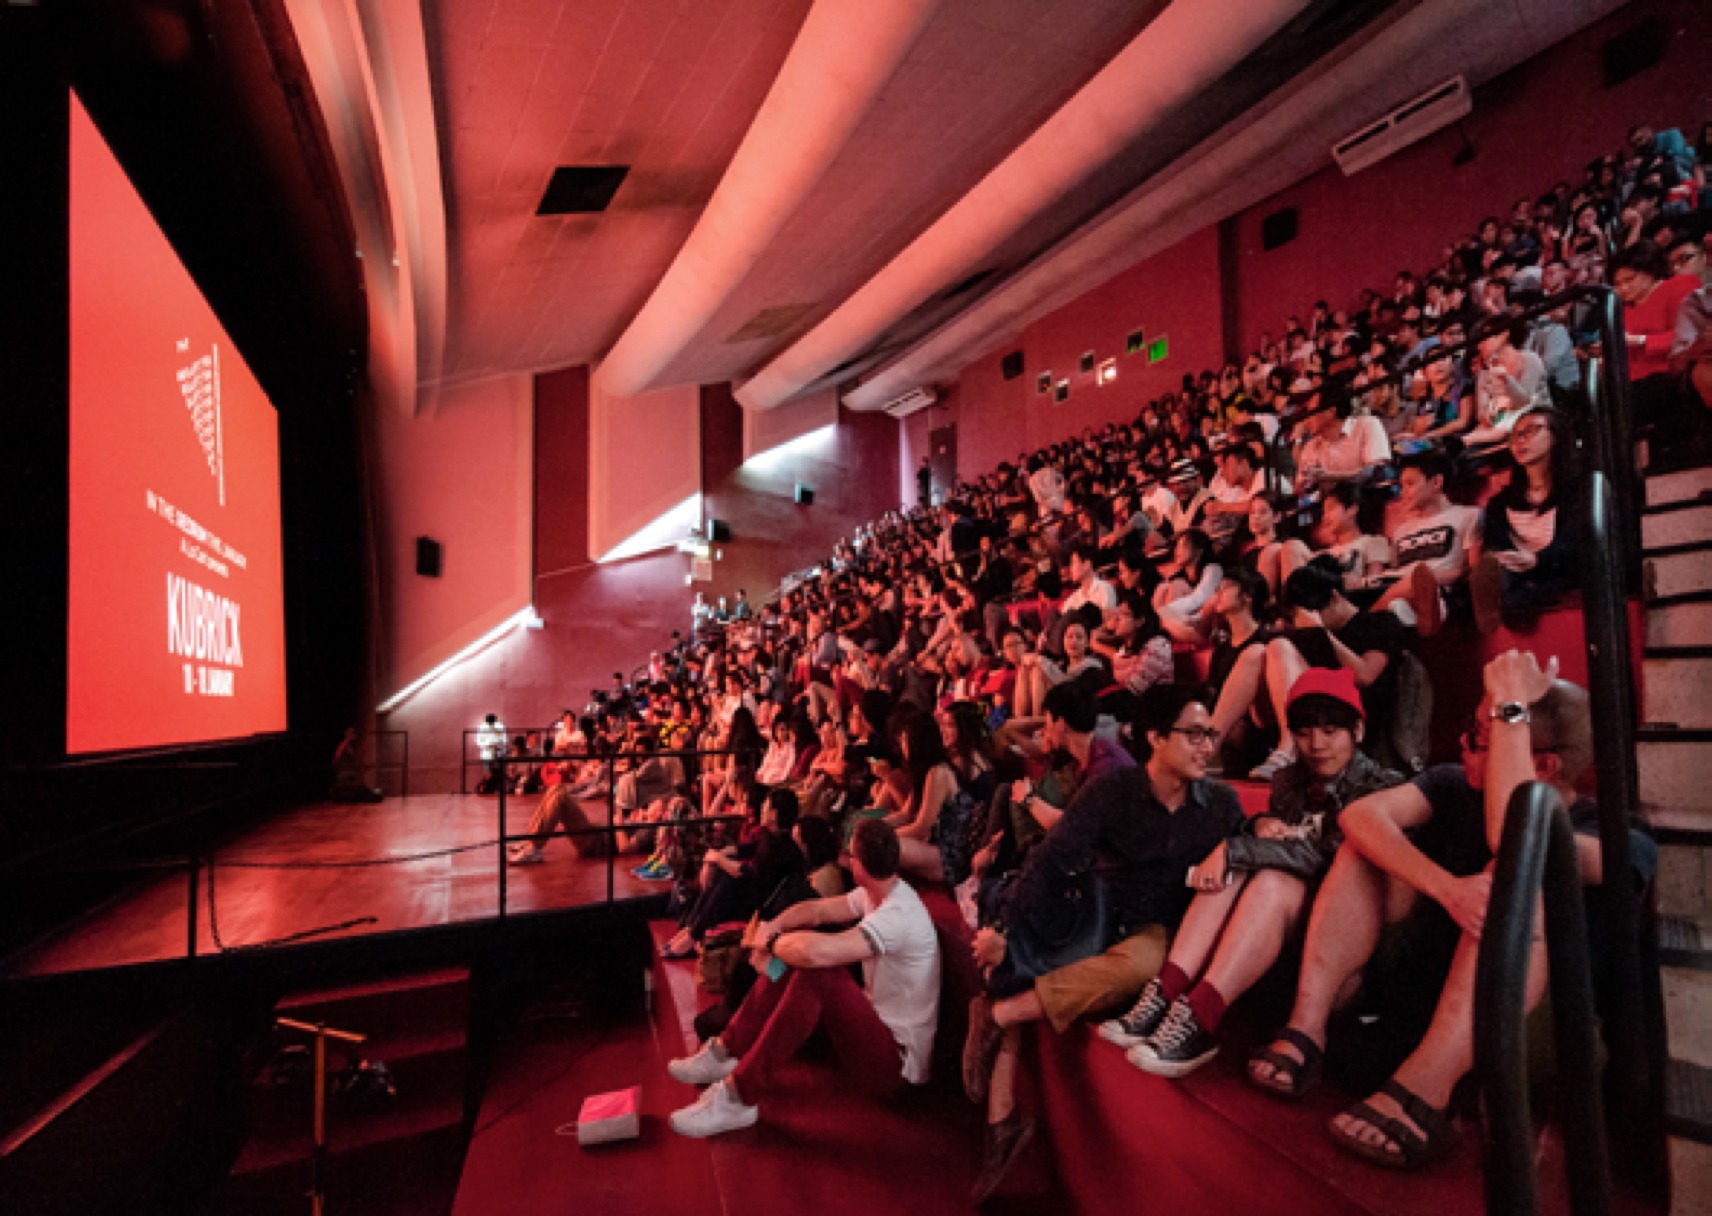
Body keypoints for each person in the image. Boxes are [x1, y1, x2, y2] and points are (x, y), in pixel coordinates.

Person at [1247, 651, 1631, 1170]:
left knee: (1514, 878)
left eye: (1481, 736)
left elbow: (1514, 840)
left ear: (1543, 765)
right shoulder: (1454, 782)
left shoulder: (1614, 838)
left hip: (1522, 1030)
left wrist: (1511, 704)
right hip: (1428, 998)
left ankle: (1425, 1094)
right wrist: (1448, 889)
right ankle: (1307, 1028)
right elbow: (1360, 816)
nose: (1462, 743)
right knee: (1363, 847)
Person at [960, 684, 1243, 1202]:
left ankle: (999, 1021)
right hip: (1092, 914)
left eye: (1211, 735)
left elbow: (1255, 843)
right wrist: (1004, 930)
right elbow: (1051, 859)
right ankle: (1002, 1124)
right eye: (1194, 735)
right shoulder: (1114, 789)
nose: (1207, 747)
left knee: (1142, 965)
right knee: (1014, 963)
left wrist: (1237, 847)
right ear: (1156, 738)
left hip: (1155, 930)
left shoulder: (1219, 805)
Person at [1102, 669, 1403, 1076]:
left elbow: (1327, 861)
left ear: (1358, 730)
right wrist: (1258, 825)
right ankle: (1167, 992)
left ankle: (1201, 1016)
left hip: (1342, 959)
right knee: (1244, 869)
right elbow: (1280, 847)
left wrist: (1236, 847)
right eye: (1304, 733)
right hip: (1277, 945)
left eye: (1331, 731)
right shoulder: (1289, 781)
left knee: (1270, 879)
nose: (1317, 744)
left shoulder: (1382, 788)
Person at [666, 819, 940, 1138]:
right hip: (874, 1034)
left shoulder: (898, 914)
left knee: (818, 971)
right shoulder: (877, 891)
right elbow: (816, 911)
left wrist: (770, 943)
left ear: (860, 865)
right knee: (798, 954)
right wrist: (774, 928)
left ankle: (739, 1095)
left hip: (897, 1068)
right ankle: (728, 1049)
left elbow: (816, 953)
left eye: (850, 855)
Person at [1467, 406, 1581, 632]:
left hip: (1558, 572)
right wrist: (1504, 559)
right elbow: (1494, 546)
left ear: (1555, 436)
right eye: (1515, 435)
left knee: (1521, 594)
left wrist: (1536, 559)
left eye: (1530, 431)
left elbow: (1575, 545)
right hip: (1514, 573)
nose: (1520, 440)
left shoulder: (1578, 491)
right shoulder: (1500, 502)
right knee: (1496, 576)